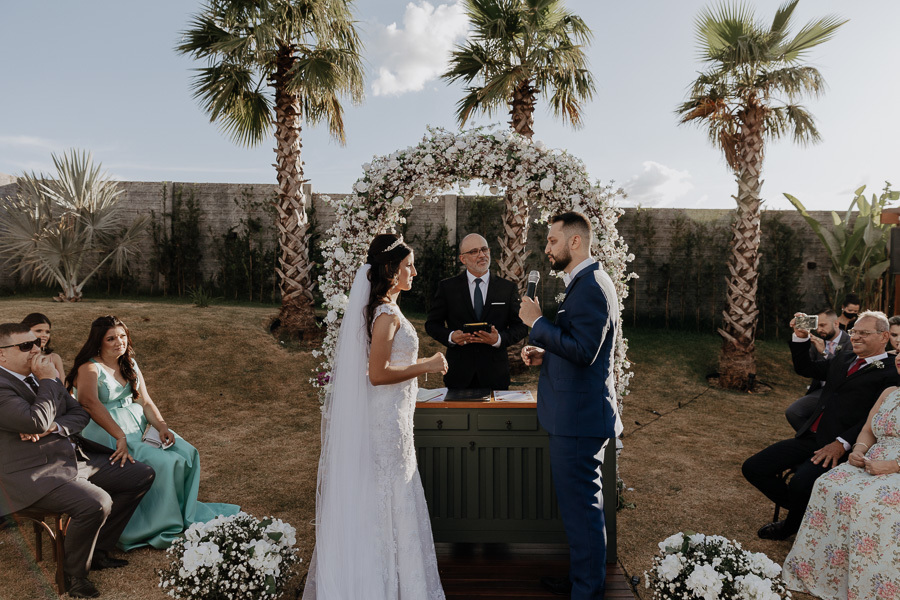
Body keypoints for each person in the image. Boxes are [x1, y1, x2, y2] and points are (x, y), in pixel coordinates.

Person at [303, 234, 448, 599]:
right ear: (389, 271)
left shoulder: (388, 309)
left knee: (393, 496)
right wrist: (425, 365)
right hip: (386, 424)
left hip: (395, 419)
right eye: (408, 266)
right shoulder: (385, 314)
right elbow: (378, 374)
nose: (414, 271)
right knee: (387, 496)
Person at [0, 322, 155, 599]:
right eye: (25, 346)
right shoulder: (9, 385)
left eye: (36, 343)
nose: (36, 349)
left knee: (140, 475)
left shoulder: (38, 375)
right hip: (34, 474)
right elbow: (34, 420)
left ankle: (96, 550)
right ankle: (73, 574)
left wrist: (53, 427)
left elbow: (78, 413)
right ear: (1, 355)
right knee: (96, 503)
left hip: (73, 458)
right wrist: (48, 382)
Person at [65, 316, 239, 550]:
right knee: (163, 463)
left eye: (123, 336)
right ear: (99, 341)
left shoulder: (129, 363)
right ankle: (159, 525)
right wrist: (120, 436)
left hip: (136, 427)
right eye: (111, 338)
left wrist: (162, 426)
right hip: (107, 432)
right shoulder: (89, 367)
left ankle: (182, 514)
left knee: (186, 452)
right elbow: (89, 403)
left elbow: (145, 401)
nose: (119, 342)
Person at [519, 212, 623, 600]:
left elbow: (583, 350)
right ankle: (582, 578)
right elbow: (583, 348)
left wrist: (538, 323)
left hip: (579, 420)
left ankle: (587, 591)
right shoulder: (584, 282)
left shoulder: (591, 286)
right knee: (578, 510)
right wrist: (547, 353)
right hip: (573, 416)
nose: (546, 248)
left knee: (583, 512)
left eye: (551, 241)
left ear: (574, 242)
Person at [742, 310, 899, 541]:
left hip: (843, 445)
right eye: (854, 331)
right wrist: (800, 336)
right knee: (753, 467)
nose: (855, 337)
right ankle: (809, 511)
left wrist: (842, 443)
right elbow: (806, 369)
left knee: (800, 483)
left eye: (864, 333)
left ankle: (790, 525)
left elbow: (872, 419)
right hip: (810, 437)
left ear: (884, 337)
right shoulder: (844, 357)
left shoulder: (892, 370)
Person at [782, 355, 900, 598]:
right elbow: (868, 429)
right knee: (827, 484)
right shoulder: (890, 391)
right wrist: (858, 450)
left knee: (868, 502)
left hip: (895, 467)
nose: (899, 359)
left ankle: (870, 582)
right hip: (871, 459)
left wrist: (892, 465)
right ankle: (824, 570)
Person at [425, 233, 528, 390]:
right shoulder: (447, 288)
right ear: (463, 259)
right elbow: (432, 324)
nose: (481, 255)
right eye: (474, 251)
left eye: (484, 249)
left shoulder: (506, 289)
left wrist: (498, 339)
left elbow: (521, 327)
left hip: (495, 374)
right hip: (459, 374)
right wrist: (451, 337)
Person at [784, 308, 852, 431]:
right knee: (793, 412)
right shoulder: (816, 341)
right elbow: (804, 367)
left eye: (823, 325)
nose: (819, 329)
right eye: (817, 325)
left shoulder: (851, 342)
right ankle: (811, 439)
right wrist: (802, 337)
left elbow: (844, 370)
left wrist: (825, 352)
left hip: (843, 391)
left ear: (836, 323)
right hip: (820, 391)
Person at [21, 312, 65, 380]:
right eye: (39, 331)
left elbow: (64, 385)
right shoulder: (20, 358)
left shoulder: (54, 358)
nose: (44, 335)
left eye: (47, 332)